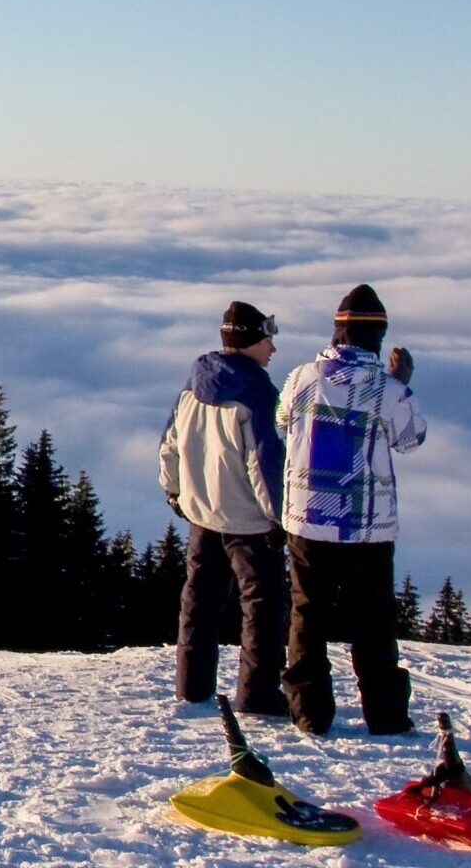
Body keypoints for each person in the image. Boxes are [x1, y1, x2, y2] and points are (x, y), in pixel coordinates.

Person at [277, 283, 427, 736]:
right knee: (373, 622)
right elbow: (411, 438)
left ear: (337, 332)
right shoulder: (387, 390)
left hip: (308, 519)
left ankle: (309, 713)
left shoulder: (302, 377)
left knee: (308, 613)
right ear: (378, 339)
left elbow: (282, 421)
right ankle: (385, 716)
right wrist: (403, 383)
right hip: (368, 527)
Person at [159, 301, 290, 715]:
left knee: (198, 601)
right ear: (251, 340)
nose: (272, 347)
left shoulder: (194, 384)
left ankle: (191, 688)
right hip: (248, 522)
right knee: (263, 609)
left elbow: (171, 444)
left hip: (202, 513)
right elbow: (263, 463)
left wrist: (175, 492)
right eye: (268, 338)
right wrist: (278, 517)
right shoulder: (259, 395)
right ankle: (257, 695)